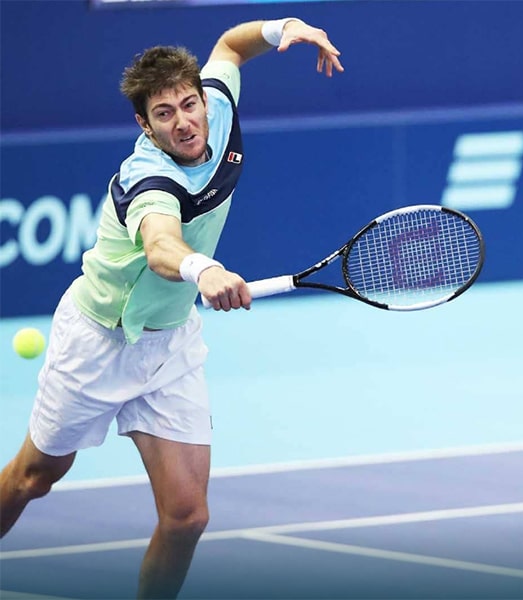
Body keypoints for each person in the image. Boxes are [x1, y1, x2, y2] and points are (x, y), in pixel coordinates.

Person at [0, 17, 342, 599]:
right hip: (98, 341)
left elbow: (231, 44)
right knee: (35, 478)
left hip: (169, 343)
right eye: (165, 114)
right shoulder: (148, 176)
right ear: (145, 124)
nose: (184, 121)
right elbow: (161, 245)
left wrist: (287, 27)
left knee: (187, 516)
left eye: (189, 104)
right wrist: (203, 269)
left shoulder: (219, 105)